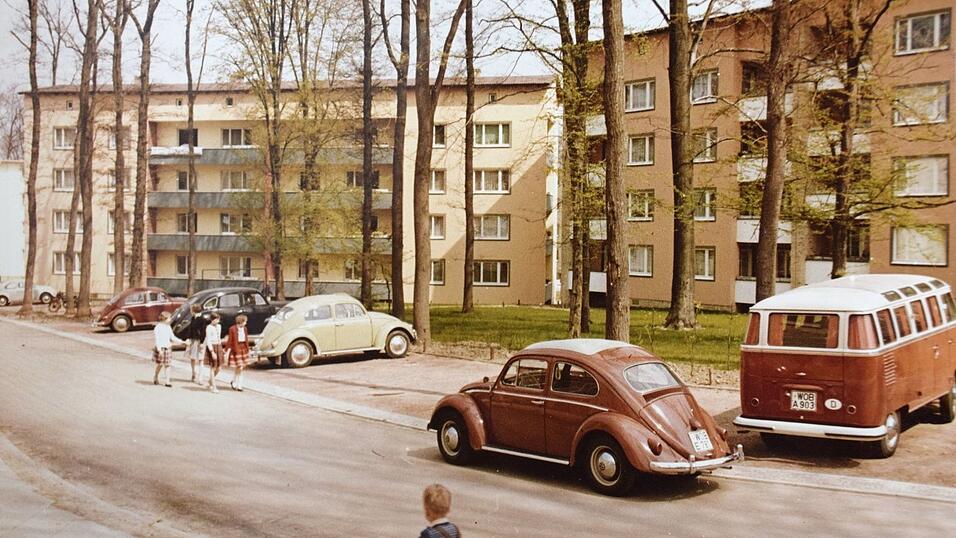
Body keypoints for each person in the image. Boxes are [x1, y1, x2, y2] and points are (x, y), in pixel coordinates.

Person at [152, 311, 184, 387]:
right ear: (164, 319)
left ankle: (167, 381)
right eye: (169, 318)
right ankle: (156, 376)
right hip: (161, 348)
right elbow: (157, 339)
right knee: (160, 364)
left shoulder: (168, 327)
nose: (170, 319)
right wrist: (159, 349)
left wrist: (182, 342)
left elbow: (172, 337)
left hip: (168, 348)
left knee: (168, 365)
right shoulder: (158, 328)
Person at [224, 313, 251, 392]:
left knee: (240, 367)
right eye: (245, 321)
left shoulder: (245, 329)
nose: (246, 323)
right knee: (239, 367)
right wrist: (226, 350)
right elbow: (230, 340)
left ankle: (236, 382)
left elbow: (246, 339)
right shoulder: (232, 329)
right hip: (236, 349)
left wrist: (248, 349)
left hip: (243, 348)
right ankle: (238, 384)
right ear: (241, 321)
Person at [185, 303, 208, 384]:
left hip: (199, 341)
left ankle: (200, 377)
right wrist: (188, 338)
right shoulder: (193, 318)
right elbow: (190, 329)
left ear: (193, 311)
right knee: (193, 358)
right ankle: (193, 372)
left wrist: (202, 342)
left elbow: (203, 332)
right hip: (193, 340)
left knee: (201, 359)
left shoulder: (202, 319)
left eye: (191, 310)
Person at [204, 313, 224, 393]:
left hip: (218, 346)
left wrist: (221, 348)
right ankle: (214, 387)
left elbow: (219, 338)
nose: (217, 321)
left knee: (219, 367)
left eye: (218, 319)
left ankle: (210, 381)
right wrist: (212, 352)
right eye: (216, 319)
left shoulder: (219, 326)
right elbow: (208, 340)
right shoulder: (208, 327)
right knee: (213, 367)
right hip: (212, 346)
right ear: (212, 320)